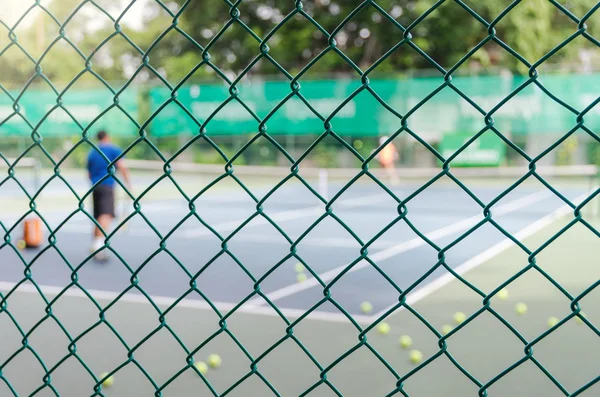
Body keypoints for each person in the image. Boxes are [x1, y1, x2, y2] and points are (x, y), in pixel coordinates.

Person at [87, 130, 131, 261]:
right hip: (107, 185)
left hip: (95, 186)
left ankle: (96, 244)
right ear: (108, 137)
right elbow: (122, 165)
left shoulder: (93, 152)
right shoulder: (113, 149)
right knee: (106, 215)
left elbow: (88, 174)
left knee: (98, 215)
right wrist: (128, 183)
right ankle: (98, 245)